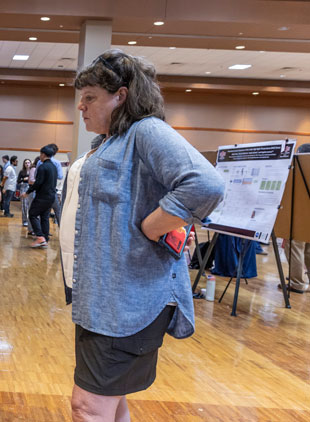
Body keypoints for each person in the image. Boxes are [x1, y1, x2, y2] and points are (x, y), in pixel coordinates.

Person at [63, 49, 225, 422]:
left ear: (120, 96)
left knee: (88, 407)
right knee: (111, 401)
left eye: (90, 98)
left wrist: (151, 226)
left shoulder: (145, 130)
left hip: (126, 303)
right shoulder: (111, 140)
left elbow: (206, 183)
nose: (80, 107)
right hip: (107, 300)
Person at [281, 142, 310, 293]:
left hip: (299, 214)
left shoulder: (300, 169)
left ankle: (296, 282)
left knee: (294, 247)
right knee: (308, 249)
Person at [22, 145, 57, 248]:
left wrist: (28, 192)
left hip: (42, 196)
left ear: (43, 154)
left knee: (32, 214)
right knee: (45, 217)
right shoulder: (53, 167)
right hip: (51, 196)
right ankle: (45, 239)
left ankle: (40, 237)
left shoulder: (43, 166)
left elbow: (38, 183)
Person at [47, 144, 65, 225]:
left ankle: (44, 233)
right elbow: (60, 176)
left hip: (42, 191)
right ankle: (61, 229)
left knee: (45, 212)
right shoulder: (56, 163)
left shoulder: (40, 161)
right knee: (57, 210)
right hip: (52, 190)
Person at [17, 158, 32, 226]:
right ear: (24, 164)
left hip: (31, 188)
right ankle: (25, 221)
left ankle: (31, 221)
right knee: (24, 206)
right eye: (26, 163)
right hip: (23, 187)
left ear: (30, 163)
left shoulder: (33, 170)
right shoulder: (22, 171)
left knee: (30, 205)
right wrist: (23, 179)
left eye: (28, 162)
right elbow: (18, 181)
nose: (27, 164)